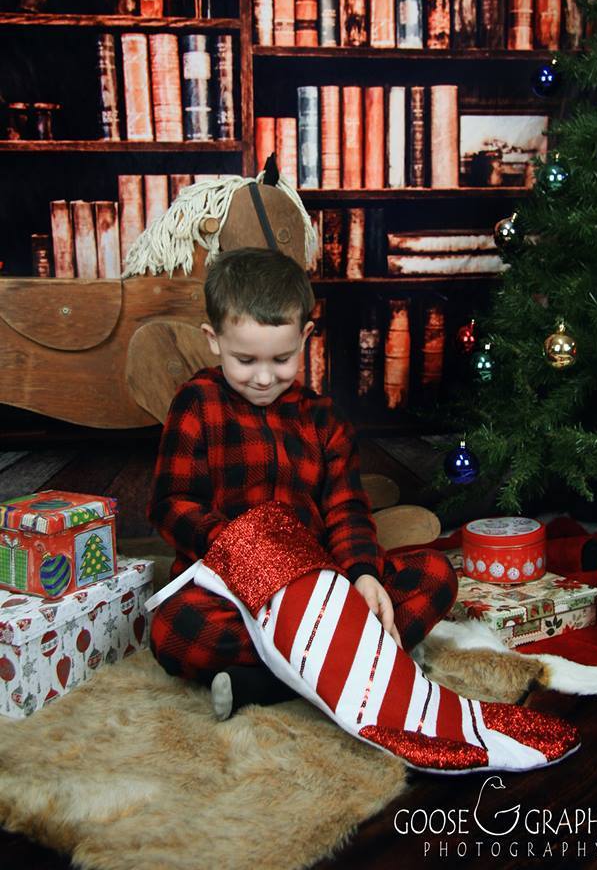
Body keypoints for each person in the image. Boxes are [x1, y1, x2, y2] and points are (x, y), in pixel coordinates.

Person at [148, 246, 458, 720]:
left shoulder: (322, 419)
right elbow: (171, 504)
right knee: (174, 628)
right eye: (245, 360)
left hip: (318, 594)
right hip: (232, 591)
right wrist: (244, 552)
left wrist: (363, 575)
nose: (264, 377)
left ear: (306, 337)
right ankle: (331, 671)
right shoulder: (197, 403)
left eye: (283, 358)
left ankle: (277, 681)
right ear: (213, 339)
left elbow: (346, 511)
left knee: (436, 576)